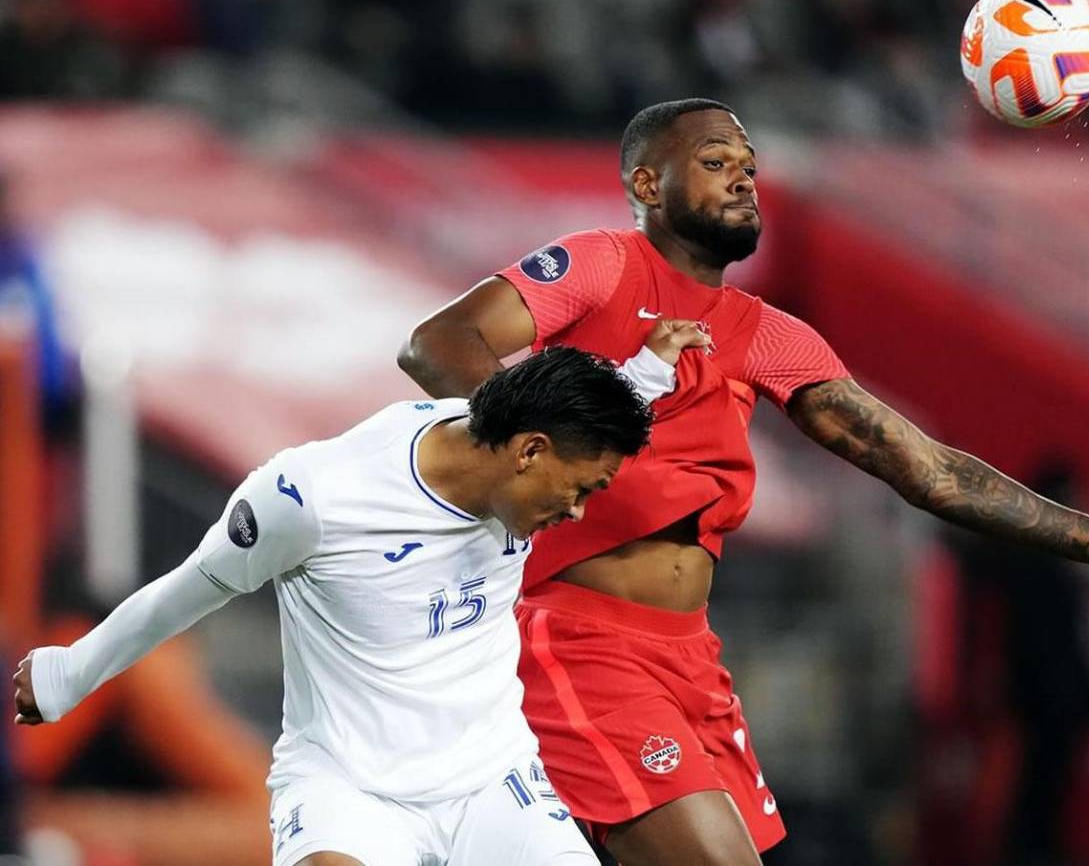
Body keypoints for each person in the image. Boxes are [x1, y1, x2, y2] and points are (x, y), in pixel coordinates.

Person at [396, 97, 1089, 865]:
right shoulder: (603, 265)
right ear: (649, 186)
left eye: (750, 169)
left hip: (689, 658)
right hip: (576, 639)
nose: (743, 181)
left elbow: (931, 473)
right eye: (716, 163)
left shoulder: (770, 337)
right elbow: (439, 343)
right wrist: (538, 454)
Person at [11, 342, 709, 866]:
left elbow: (575, 411)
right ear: (528, 453)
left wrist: (644, 370)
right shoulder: (313, 498)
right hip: (351, 792)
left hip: (492, 782)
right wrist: (71, 672)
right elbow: (184, 593)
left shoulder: (516, 446)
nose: (580, 513)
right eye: (581, 490)